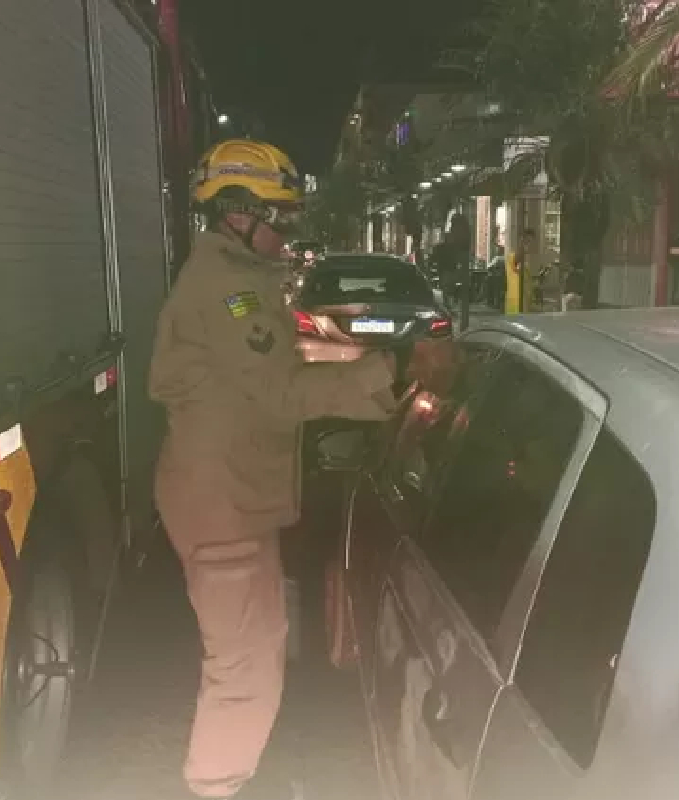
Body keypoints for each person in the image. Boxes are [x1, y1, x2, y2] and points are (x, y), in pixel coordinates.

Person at [148, 139, 398, 800]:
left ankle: (228, 778)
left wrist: (344, 350)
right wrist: (386, 375)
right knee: (243, 667)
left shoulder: (234, 282)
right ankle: (216, 786)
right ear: (236, 213)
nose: (287, 232)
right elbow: (280, 390)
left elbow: (273, 353)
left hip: (231, 495)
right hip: (223, 501)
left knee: (255, 650)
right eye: (277, 217)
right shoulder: (227, 289)